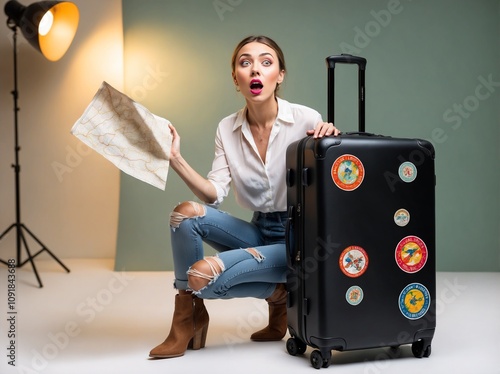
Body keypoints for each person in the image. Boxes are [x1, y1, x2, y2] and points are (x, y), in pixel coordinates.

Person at [149, 35, 340, 359]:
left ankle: (281, 293)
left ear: (279, 75)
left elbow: (331, 186)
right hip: (257, 229)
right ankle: (187, 317)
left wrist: (333, 146)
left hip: (295, 239)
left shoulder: (307, 120)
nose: (256, 70)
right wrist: (175, 158)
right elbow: (213, 195)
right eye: (245, 62)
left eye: (266, 62)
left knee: (201, 276)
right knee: (185, 215)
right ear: (236, 78)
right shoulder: (227, 128)